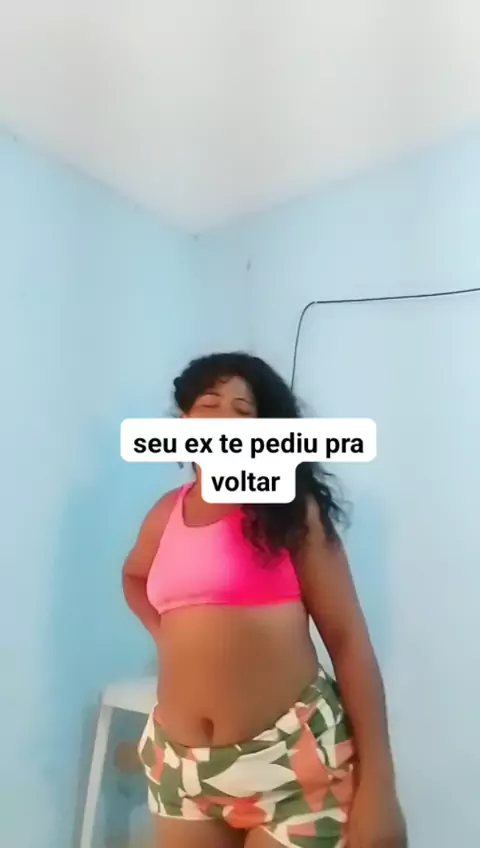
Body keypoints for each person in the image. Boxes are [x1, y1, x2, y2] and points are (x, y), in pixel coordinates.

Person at [123, 352, 406, 848]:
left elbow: (348, 641)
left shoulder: (290, 513)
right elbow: (134, 576)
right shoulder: (166, 513)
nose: (224, 419)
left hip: (292, 765)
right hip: (183, 771)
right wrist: (167, 636)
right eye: (209, 404)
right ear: (183, 424)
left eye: (242, 410)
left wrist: (379, 788)